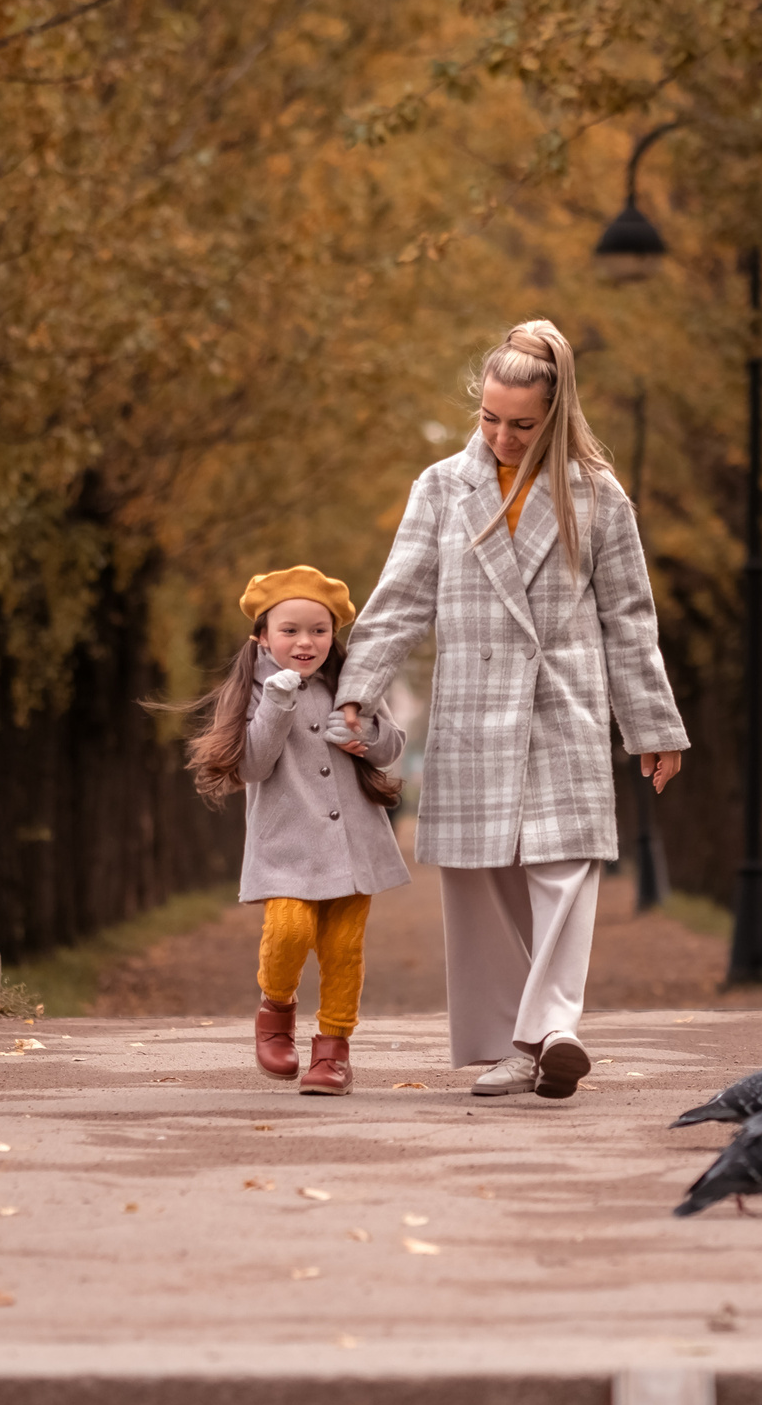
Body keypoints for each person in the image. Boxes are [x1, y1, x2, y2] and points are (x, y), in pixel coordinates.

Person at [336, 320, 687, 1100]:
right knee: (484, 880)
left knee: (566, 869)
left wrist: (654, 725)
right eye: (490, 417)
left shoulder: (599, 493)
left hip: (563, 701)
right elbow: (399, 602)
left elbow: (630, 616)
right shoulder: (440, 487)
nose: (501, 435)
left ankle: (551, 1029)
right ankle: (511, 1044)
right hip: (471, 706)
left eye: (522, 424)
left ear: (556, 415)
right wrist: (359, 691)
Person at [183, 567, 407, 1095]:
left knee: (344, 950)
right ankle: (276, 1010)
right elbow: (254, 766)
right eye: (290, 630)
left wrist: (364, 735)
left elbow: (392, 745)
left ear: (333, 636)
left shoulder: (351, 684)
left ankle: (332, 1051)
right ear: (262, 636)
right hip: (287, 847)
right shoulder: (255, 692)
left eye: (319, 630)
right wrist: (279, 703)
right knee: (289, 932)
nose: (305, 642)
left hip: (356, 845)